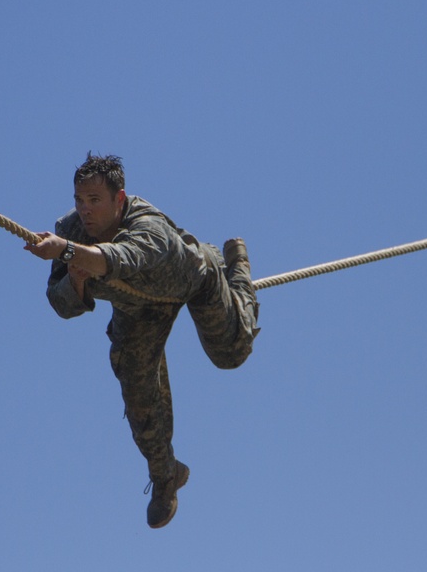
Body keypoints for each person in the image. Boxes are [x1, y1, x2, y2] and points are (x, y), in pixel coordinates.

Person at [24, 153, 260, 529]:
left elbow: (123, 258)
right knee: (136, 393)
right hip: (137, 308)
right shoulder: (68, 229)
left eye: (95, 201)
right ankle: (167, 476)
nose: (84, 210)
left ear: (119, 200)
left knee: (231, 353)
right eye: (79, 200)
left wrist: (69, 252)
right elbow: (59, 303)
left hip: (194, 280)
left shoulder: (148, 224)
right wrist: (77, 280)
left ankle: (238, 267)